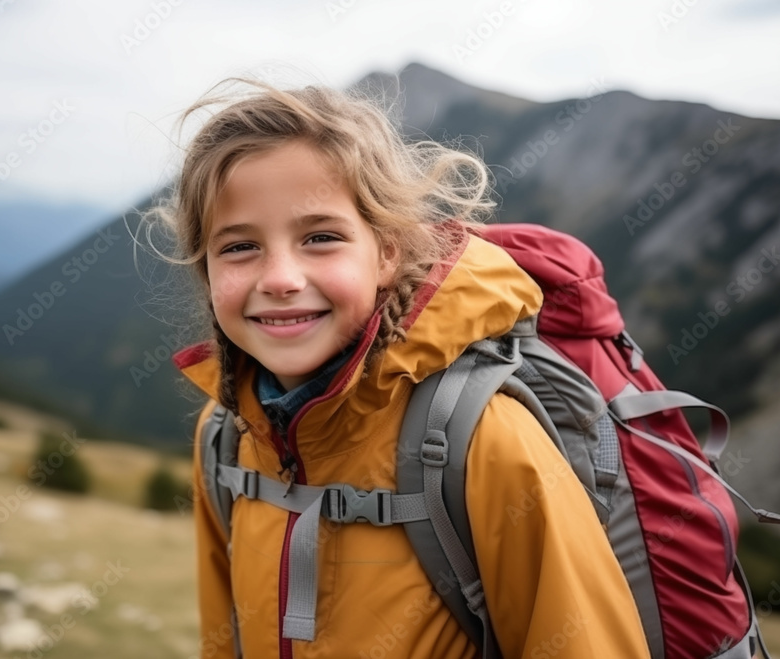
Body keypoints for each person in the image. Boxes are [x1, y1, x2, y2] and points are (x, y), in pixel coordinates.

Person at [145, 77, 650, 658]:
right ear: (205, 269)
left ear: (387, 252)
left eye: (321, 237)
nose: (280, 278)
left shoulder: (484, 441)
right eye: (238, 247)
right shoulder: (224, 433)